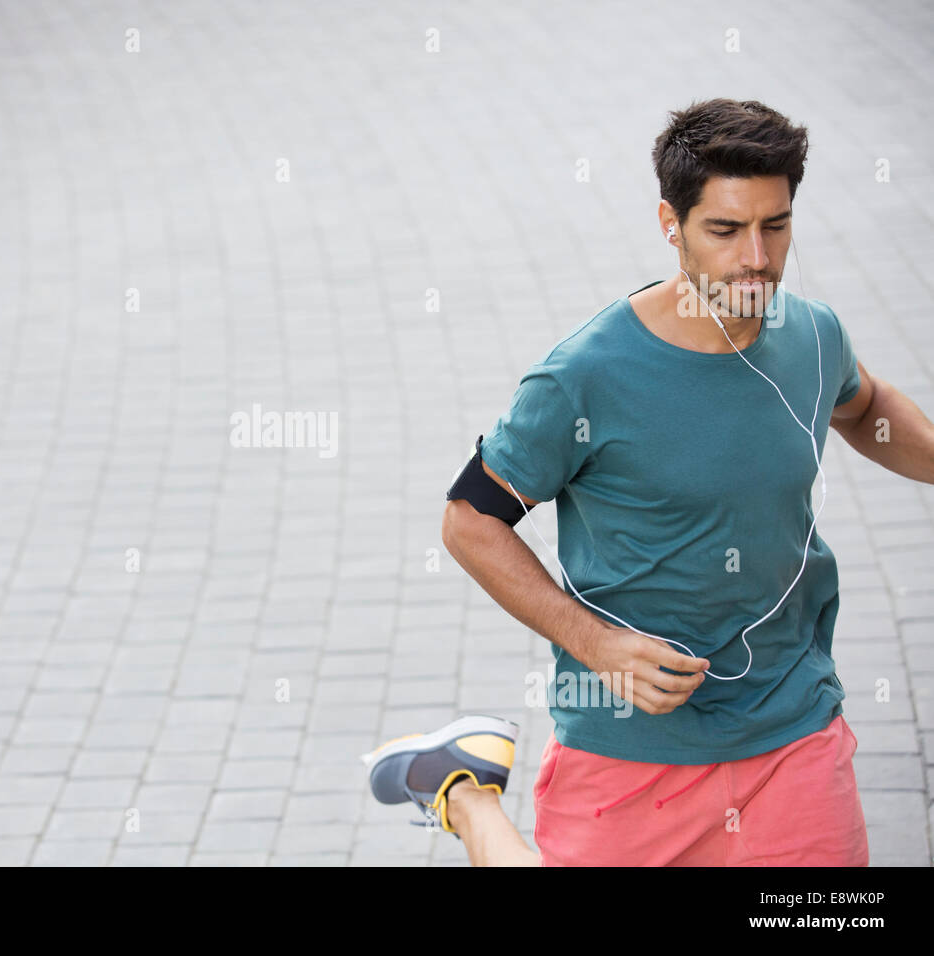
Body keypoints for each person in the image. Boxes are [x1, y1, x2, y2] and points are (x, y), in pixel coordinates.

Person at [366, 98, 934, 866]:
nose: (757, 259)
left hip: (793, 725)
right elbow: (469, 519)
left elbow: (865, 408)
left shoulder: (812, 335)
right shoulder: (585, 378)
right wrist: (592, 642)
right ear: (671, 224)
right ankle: (465, 792)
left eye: (777, 225)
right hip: (630, 742)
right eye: (725, 230)